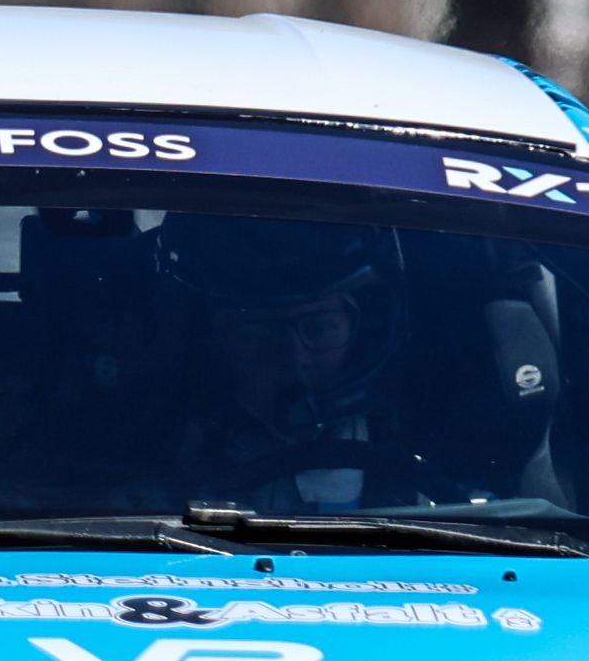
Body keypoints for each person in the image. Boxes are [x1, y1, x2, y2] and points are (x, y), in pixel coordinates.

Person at [152, 212, 415, 510]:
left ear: (361, 330)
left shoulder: (416, 430)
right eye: (256, 334)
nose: (295, 357)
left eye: (319, 328)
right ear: (212, 344)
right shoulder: (158, 446)